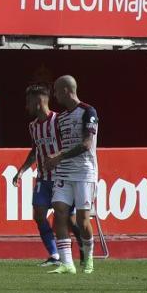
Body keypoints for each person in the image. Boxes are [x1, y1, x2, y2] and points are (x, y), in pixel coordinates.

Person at [43, 75, 98, 275]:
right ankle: (67, 263)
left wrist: (59, 156)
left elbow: (86, 144)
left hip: (84, 172)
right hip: (64, 172)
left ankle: (89, 256)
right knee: (59, 212)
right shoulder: (62, 117)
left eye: (56, 91)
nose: (55, 96)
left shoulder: (88, 111)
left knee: (83, 220)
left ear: (66, 90)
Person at [13, 83, 65, 266]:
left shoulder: (59, 121)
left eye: (28, 101)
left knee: (64, 220)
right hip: (43, 178)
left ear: (39, 100)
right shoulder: (33, 126)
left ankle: (75, 253)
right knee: (39, 215)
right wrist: (21, 171)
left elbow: (69, 147)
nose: (26, 105)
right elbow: (35, 150)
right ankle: (54, 256)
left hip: (62, 179)